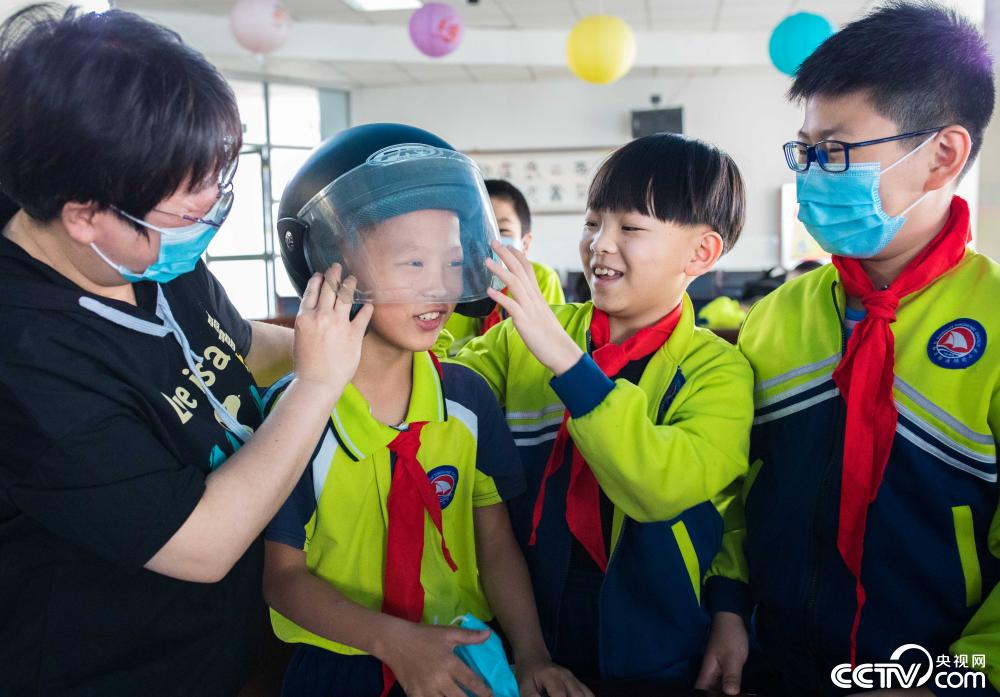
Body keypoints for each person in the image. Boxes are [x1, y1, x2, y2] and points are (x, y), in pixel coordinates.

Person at [0, 7, 371, 695]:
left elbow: (236, 348)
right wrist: (319, 385)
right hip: (112, 670)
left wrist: (358, 347)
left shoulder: (144, 254)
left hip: (228, 646)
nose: (207, 218)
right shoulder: (25, 359)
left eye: (216, 185)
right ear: (84, 215)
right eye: (187, 211)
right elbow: (201, 544)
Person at [697, 3, 1000, 696]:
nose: (811, 175)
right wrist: (728, 606)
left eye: (835, 152)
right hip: (769, 665)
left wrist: (958, 678)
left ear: (943, 155)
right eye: (804, 151)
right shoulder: (777, 318)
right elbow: (737, 487)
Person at [263, 123, 591, 697]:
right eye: (412, 264)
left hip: (464, 658)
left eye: (451, 262)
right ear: (331, 261)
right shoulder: (297, 412)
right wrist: (395, 643)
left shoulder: (468, 399)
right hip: (342, 668)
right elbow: (283, 579)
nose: (438, 287)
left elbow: (495, 545)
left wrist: (531, 654)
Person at [452, 133, 754, 684]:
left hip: (658, 641)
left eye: (630, 228)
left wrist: (567, 363)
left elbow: (659, 487)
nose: (600, 245)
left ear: (701, 253)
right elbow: (440, 394)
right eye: (592, 223)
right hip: (526, 618)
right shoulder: (520, 339)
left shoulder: (718, 370)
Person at [442, 179, 565, 355]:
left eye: (502, 231)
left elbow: (548, 344)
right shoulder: (451, 280)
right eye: (477, 229)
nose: (488, 239)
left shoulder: (541, 278)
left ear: (525, 243)